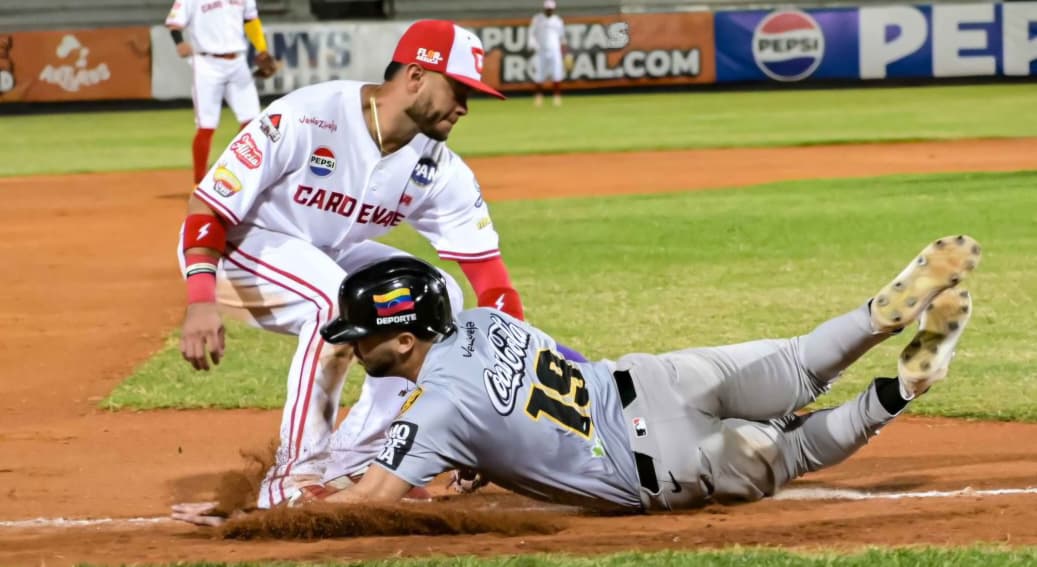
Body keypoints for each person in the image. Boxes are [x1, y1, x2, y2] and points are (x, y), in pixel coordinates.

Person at [172, 234, 982, 524]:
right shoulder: (488, 321)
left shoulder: (436, 407)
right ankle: (878, 314)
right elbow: (520, 400)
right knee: (802, 360)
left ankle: (902, 389)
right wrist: (478, 458)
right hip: (657, 379)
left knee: (795, 449)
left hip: (658, 465)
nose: (354, 349)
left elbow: (370, 501)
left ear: (404, 336)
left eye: (363, 337)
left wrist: (255, 517)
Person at [175, 19, 583, 510]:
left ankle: (358, 462)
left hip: (322, 252)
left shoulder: (439, 168)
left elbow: (492, 283)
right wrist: (200, 300)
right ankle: (290, 479)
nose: (464, 107)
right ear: (416, 76)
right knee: (334, 303)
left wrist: (497, 403)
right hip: (233, 246)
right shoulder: (309, 116)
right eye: (458, 90)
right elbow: (209, 207)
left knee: (438, 296)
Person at [165, 0, 276, 184]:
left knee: (252, 122)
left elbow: (251, 20)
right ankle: (199, 183)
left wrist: (262, 49)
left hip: (238, 62)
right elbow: (175, 23)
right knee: (206, 126)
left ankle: (236, 170)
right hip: (207, 63)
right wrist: (180, 43)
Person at [528, 0, 567, 107]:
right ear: (544, 8)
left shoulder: (557, 20)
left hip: (555, 50)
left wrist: (565, 52)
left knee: (557, 73)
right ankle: (538, 97)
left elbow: (562, 37)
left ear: (553, 9)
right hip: (541, 50)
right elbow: (531, 33)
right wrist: (532, 45)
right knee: (539, 74)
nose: (549, 11)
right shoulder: (537, 19)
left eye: (551, 9)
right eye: (548, 9)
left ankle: (557, 97)